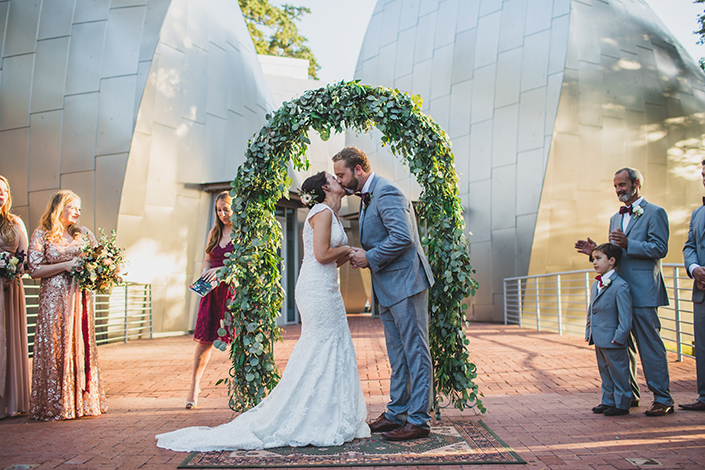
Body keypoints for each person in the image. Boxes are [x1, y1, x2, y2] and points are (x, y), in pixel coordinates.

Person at [156, 171, 370, 451]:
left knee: (329, 345)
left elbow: (326, 260)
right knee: (322, 345)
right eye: (333, 177)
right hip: (317, 290)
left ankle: (326, 411)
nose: (338, 179)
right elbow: (321, 255)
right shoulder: (323, 212)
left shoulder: (328, 212)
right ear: (325, 187)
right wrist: (351, 249)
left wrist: (345, 256)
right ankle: (309, 413)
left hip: (323, 285)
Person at [333, 146, 435, 441]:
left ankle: (418, 420)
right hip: (388, 287)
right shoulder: (367, 196)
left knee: (415, 352)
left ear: (359, 170)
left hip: (406, 283)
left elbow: (402, 237)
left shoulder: (387, 191)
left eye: (342, 175)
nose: (339, 181)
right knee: (398, 353)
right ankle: (396, 413)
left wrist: (369, 257)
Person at [575, 167, 674, 416]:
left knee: (649, 346)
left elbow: (660, 248)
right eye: (616, 186)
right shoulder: (614, 218)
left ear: (636, 183)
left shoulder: (656, 213)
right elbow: (616, 252)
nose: (619, 189)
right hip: (616, 291)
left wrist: (631, 243)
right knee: (621, 346)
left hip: (643, 292)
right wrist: (595, 251)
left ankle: (663, 399)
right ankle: (626, 397)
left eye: (622, 184)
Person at [27, 190, 107, 421]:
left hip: (80, 298)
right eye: (73, 207)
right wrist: (65, 265)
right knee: (55, 344)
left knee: (79, 344)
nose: (78, 212)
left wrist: (108, 267)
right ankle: (56, 403)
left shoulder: (83, 233)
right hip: (53, 300)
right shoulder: (42, 234)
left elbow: (100, 259)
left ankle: (82, 401)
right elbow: (34, 270)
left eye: (79, 208)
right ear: (59, 207)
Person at [186, 191, 235, 409]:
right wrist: (206, 274)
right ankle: (194, 389)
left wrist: (221, 270)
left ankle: (244, 387)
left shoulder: (242, 233)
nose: (223, 213)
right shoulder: (214, 233)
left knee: (240, 340)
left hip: (234, 293)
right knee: (204, 343)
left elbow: (244, 264)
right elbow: (207, 260)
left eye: (226, 208)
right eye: (219, 209)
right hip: (212, 293)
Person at [585, 243, 633, 416]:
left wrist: (620, 336)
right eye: (593, 259)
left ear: (612, 260)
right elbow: (591, 311)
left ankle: (622, 403)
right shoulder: (595, 285)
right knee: (604, 371)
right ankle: (608, 401)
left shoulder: (620, 286)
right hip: (599, 337)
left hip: (614, 338)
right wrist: (589, 331)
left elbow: (625, 317)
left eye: (598, 258)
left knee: (619, 372)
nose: (594, 263)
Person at [0, 175, 30, 418]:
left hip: (9, 288)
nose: (1, 194)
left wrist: (11, 267)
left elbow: (25, 258)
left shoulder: (15, 223)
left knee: (7, 339)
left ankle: (8, 400)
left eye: (4, 190)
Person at [680, 159, 705, 411]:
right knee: (703, 346)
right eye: (703, 174)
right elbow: (689, 246)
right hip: (701, 290)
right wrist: (694, 268)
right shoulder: (698, 213)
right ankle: (704, 397)